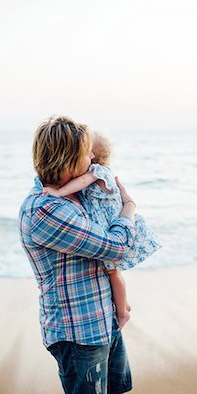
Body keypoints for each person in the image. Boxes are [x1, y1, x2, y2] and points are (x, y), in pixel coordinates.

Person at [18, 116, 136, 394]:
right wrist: (130, 207)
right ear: (68, 159)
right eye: (86, 152)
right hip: (78, 331)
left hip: (103, 318)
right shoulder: (46, 210)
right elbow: (118, 247)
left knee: (116, 391)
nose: (93, 156)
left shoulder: (79, 193)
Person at [43, 132, 162, 330]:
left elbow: (80, 184)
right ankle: (122, 303)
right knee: (113, 272)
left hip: (110, 225)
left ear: (93, 155)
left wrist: (58, 192)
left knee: (113, 272)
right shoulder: (99, 172)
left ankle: (123, 312)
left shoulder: (98, 171)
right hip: (108, 222)